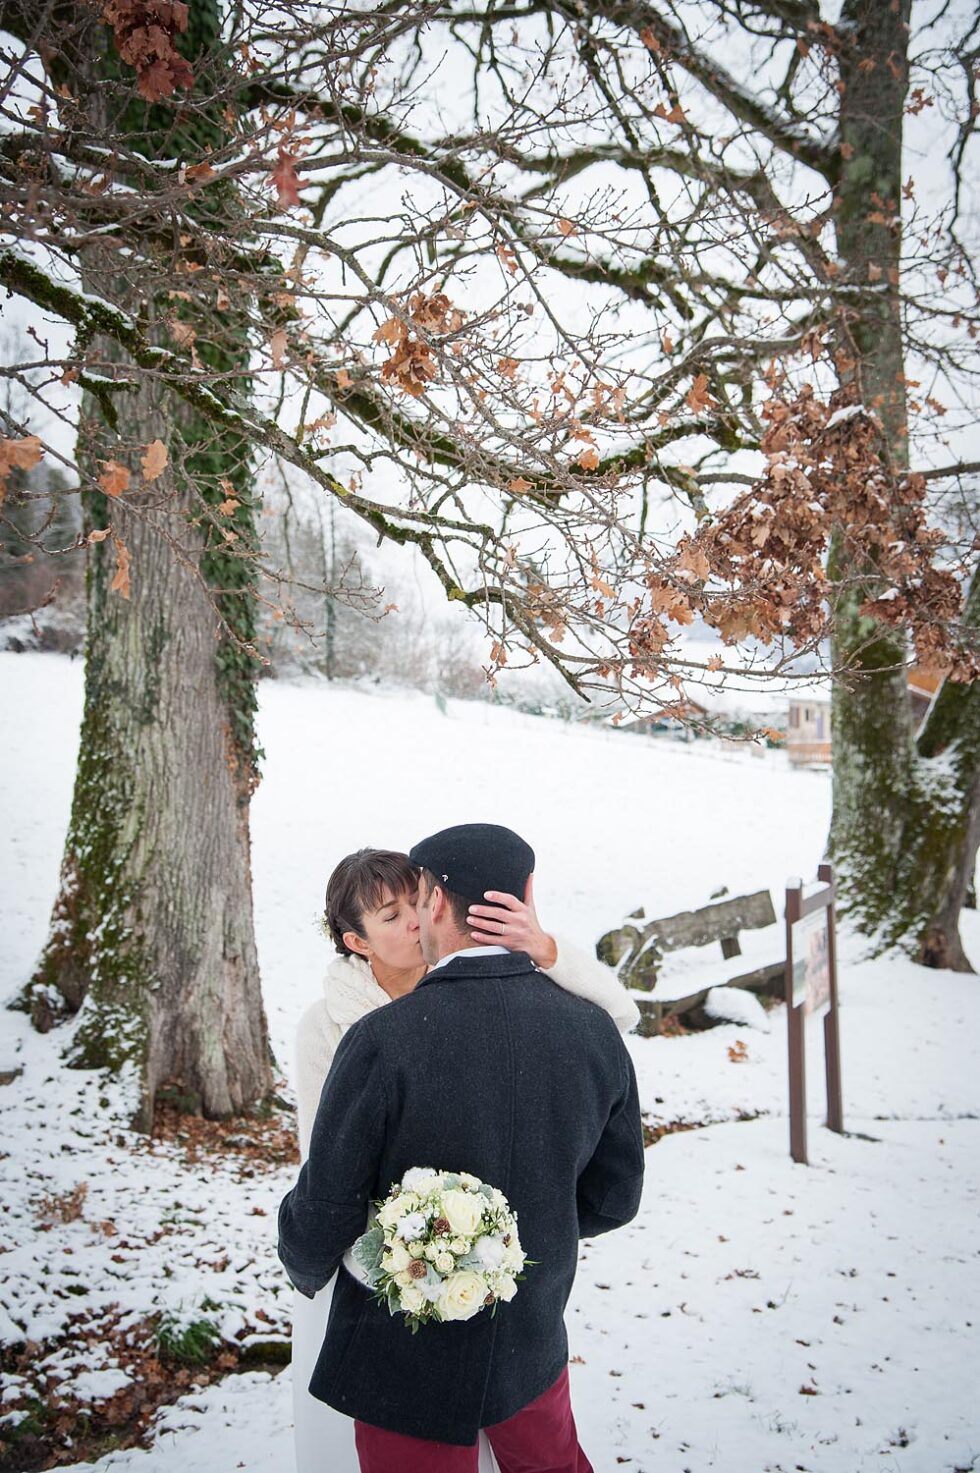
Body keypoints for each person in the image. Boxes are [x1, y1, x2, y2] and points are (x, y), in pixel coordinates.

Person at [280, 824, 645, 1472]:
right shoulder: (592, 1030)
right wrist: (529, 1232)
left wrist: (305, 1262)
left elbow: (326, 1204)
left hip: (404, 1347)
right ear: (527, 892)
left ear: (435, 902)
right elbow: (614, 1197)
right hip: (530, 1327)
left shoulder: (381, 1041)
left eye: (414, 900)